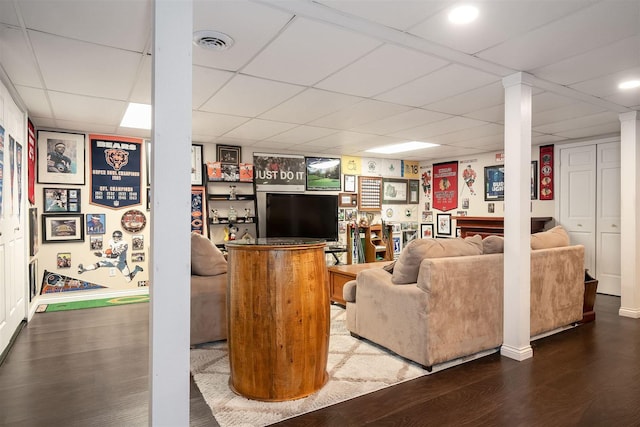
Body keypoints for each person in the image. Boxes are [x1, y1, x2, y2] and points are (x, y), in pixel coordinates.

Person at [78, 230, 142, 282]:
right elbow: (111, 250)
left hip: (121, 262)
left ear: (120, 237)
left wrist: (103, 255)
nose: (115, 238)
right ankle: (83, 270)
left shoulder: (124, 243)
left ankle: (136, 269)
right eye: (114, 237)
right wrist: (102, 252)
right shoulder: (111, 241)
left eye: (117, 237)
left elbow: (115, 255)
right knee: (99, 264)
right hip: (112, 260)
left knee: (128, 280)